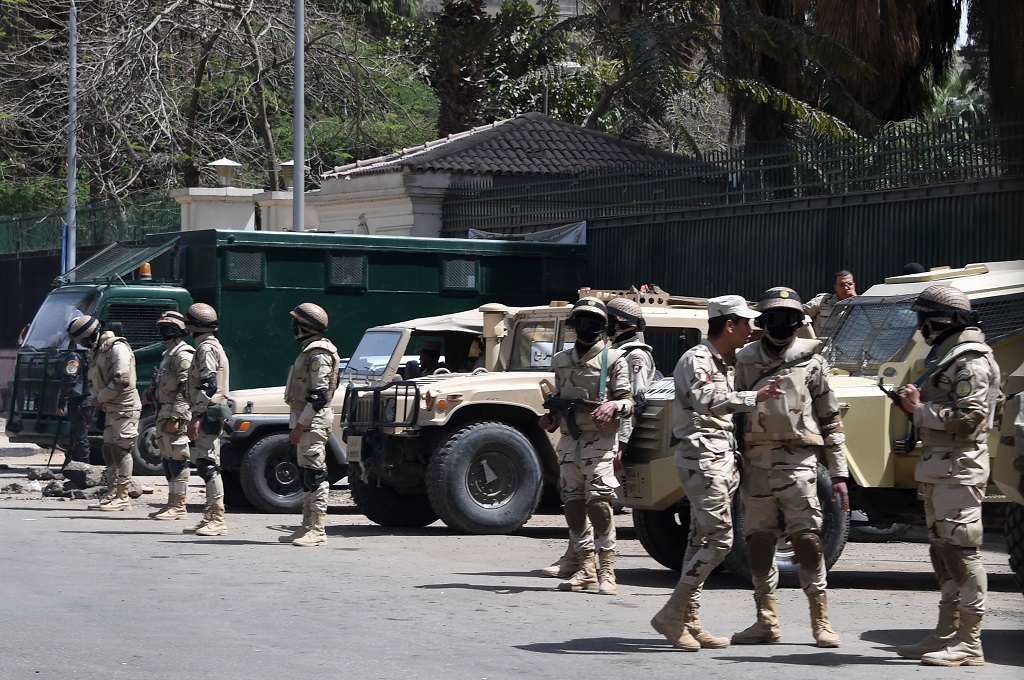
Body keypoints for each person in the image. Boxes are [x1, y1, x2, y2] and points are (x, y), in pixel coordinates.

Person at [651, 295, 784, 651]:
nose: (751, 329)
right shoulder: (697, 360)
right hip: (702, 460)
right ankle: (671, 613)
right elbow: (707, 400)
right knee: (721, 540)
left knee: (699, 539)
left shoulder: (721, 361)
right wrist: (754, 397)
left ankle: (689, 621)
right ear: (729, 324)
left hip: (717, 458)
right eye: (746, 323)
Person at [732, 286, 849, 648]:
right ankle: (766, 620)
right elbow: (735, 411)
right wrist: (733, 460)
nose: (781, 324)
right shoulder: (746, 359)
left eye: (788, 318)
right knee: (759, 541)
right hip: (755, 463)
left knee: (808, 540)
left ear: (799, 322)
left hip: (798, 461)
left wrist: (840, 473)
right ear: (763, 321)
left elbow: (830, 419)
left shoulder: (812, 360)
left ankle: (821, 620)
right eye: (774, 317)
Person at [896, 285, 1001, 667]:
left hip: (959, 471)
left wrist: (919, 410)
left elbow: (971, 421)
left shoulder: (971, 361)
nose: (921, 327)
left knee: (963, 553)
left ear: (941, 322)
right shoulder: (950, 357)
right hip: (943, 470)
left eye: (924, 320)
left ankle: (970, 643)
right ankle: (946, 633)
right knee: (943, 552)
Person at [539, 296, 655, 584]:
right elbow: (558, 400)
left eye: (593, 323)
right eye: (580, 321)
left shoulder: (616, 359)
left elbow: (632, 402)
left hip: (601, 441)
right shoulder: (561, 361)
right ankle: (584, 563)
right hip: (570, 442)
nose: (585, 327)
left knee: (600, 505)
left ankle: (607, 569)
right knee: (574, 505)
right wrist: (551, 417)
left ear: (605, 326)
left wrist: (615, 410)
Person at [279, 303, 340, 547]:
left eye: (297, 322)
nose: (293, 326)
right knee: (306, 474)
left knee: (315, 474)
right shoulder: (309, 350)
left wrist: (301, 426)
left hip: (312, 422)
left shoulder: (319, 353)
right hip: (305, 421)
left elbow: (319, 395)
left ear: (306, 326)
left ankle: (318, 528)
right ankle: (306, 526)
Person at [67, 315, 141, 512]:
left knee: (121, 450)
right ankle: (112, 493)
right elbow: (94, 380)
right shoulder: (97, 350)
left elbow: (122, 379)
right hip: (110, 406)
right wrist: (96, 398)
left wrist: (101, 397)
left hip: (125, 406)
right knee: (108, 449)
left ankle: (123, 496)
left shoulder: (117, 347)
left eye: (83, 339)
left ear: (92, 335)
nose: (83, 344)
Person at [184, 303, 231, 537]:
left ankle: (217, 518)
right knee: (205, 462)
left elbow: (209, 385)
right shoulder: (209, 346)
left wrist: (196, 415)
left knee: (209, 464)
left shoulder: (206, 349)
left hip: (209, 412)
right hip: (210, 410)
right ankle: (210, 515)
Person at [148, 311, 195, 521]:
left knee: (178, 458)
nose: (163, 333)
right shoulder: (169, 354)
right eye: (161, 329)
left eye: (168, 329)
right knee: (168, 459)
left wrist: (177, 417)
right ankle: (171, 502)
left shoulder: (183, 355)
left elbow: (186, 389)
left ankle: (179, 505)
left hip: (174, 413)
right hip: (163, 411)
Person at [56, 338, 94, 467]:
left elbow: (70, 379)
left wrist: (61, 402)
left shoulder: (75, 356)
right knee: (77, 436)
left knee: (79, 436)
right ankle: (69, 466)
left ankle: (84, 468)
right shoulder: (91, 354)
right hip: (89, 399)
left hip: (79, 400)